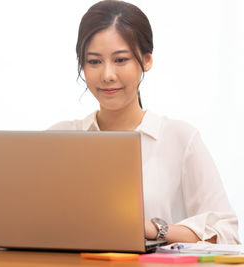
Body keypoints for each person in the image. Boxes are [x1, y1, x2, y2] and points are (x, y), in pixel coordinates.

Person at [48, 0, 239, 244]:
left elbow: (227, 234)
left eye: (120, 60)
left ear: (146, 60)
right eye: (94, 61)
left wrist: (150, 229)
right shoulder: (58, 138)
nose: (107, 75)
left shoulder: (180, 139)